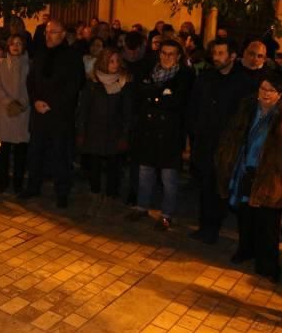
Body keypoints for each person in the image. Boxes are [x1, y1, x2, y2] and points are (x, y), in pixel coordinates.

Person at [217, 70, 282, 282]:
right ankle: (245, 250)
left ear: (280, 93)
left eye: (271, 90)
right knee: (245, 214)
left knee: (268, 223)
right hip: (244, 169)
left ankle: (268, 264)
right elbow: (232, 133)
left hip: (271, 176)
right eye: (262, 88)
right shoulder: (247, 107)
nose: (265, 93)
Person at [187, 40, 257, 243]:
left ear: (232, 56)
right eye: (214, 53)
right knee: (205, 185)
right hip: (204, 142)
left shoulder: (244, 83)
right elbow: (193, 107)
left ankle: (213, 227)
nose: (216, 57)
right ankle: (204, 226)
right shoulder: (206, 78)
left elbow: (245, 116)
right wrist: (194, 131)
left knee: (220, 188)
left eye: (220, 53)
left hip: (228, 147)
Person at [127, 40, 193, 230]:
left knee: (169, 177)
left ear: (179, 56)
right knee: (145, 172)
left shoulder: (185, 76)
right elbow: (139, 94)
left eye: (171, 54)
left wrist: (155, 95)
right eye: (164, 53)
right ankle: (142, 206)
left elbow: (177, 102)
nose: (166, 57)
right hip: (147, 130)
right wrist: (161, 94)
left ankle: (167, 214)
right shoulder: (149, 71)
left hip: (170, 134)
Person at [22, 19, 84, 208]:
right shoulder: (40, 54)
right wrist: (36, 101)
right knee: (35, 152)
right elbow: (31, 81)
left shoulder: (72, 57)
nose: (48, 36)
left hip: (60, 115)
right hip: (39, 114)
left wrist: (52, 104)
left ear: (63, 34)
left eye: (53, 32)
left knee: (60, 155)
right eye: (46, 32)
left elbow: (74, 86)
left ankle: (61, 192)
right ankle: (33, 186)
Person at [77, 48, 133, 206]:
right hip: (95, 130)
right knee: (94, 163)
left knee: (114, 165)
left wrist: (124, 134)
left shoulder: (123, 82)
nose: (115, 65)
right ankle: (95, 190)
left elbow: (127, 111)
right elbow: (84, 109)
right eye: (111, 61)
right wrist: (81, 131)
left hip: (114, 131)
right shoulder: (93, 83)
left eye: (117, 61)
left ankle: (111, 193)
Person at [0, 34, 30, 194]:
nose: (15, 46)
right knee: (3, 150)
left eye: (19, 44)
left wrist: (22, 103)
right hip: (4, 111)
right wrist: (7, 102)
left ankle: (18, 184)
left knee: (20, 151)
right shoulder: (1, 63)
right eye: (13, 44)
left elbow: (31, 87)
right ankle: (3, 181)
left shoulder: (28, 65)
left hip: (21, 112)